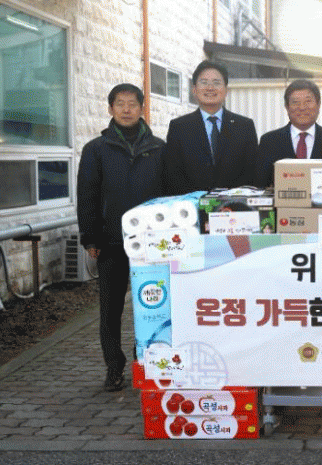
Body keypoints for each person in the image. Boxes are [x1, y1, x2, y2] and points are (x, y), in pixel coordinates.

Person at [77, 83, 164, 391]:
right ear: (110, 108)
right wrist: (90, 237)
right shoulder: (95, 149)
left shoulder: (159, 148)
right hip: (111, 241)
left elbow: (168, 195)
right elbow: (87, 194)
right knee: (110, 309)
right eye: (120, 103)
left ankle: (149, 361)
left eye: (132, 104)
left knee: (153, 305)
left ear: (142, 108)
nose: (127, 109)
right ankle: (114, 366)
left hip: (153, 244)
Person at [163, 60, 258, 194]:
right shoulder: (179, 127)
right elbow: (173, 174)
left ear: (226, 90)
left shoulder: (244, 126)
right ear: (194, 89)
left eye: (216, 83)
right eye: (204, 82)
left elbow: (251, 171)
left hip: (234, 203)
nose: (210, 88)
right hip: (192, 203)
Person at [256, 79, 322, 188]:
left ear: (318, 104)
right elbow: (260, 185)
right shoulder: (269, 141)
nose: (302, 107)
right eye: (295, 102)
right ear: (287, 107)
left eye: (308, 101)